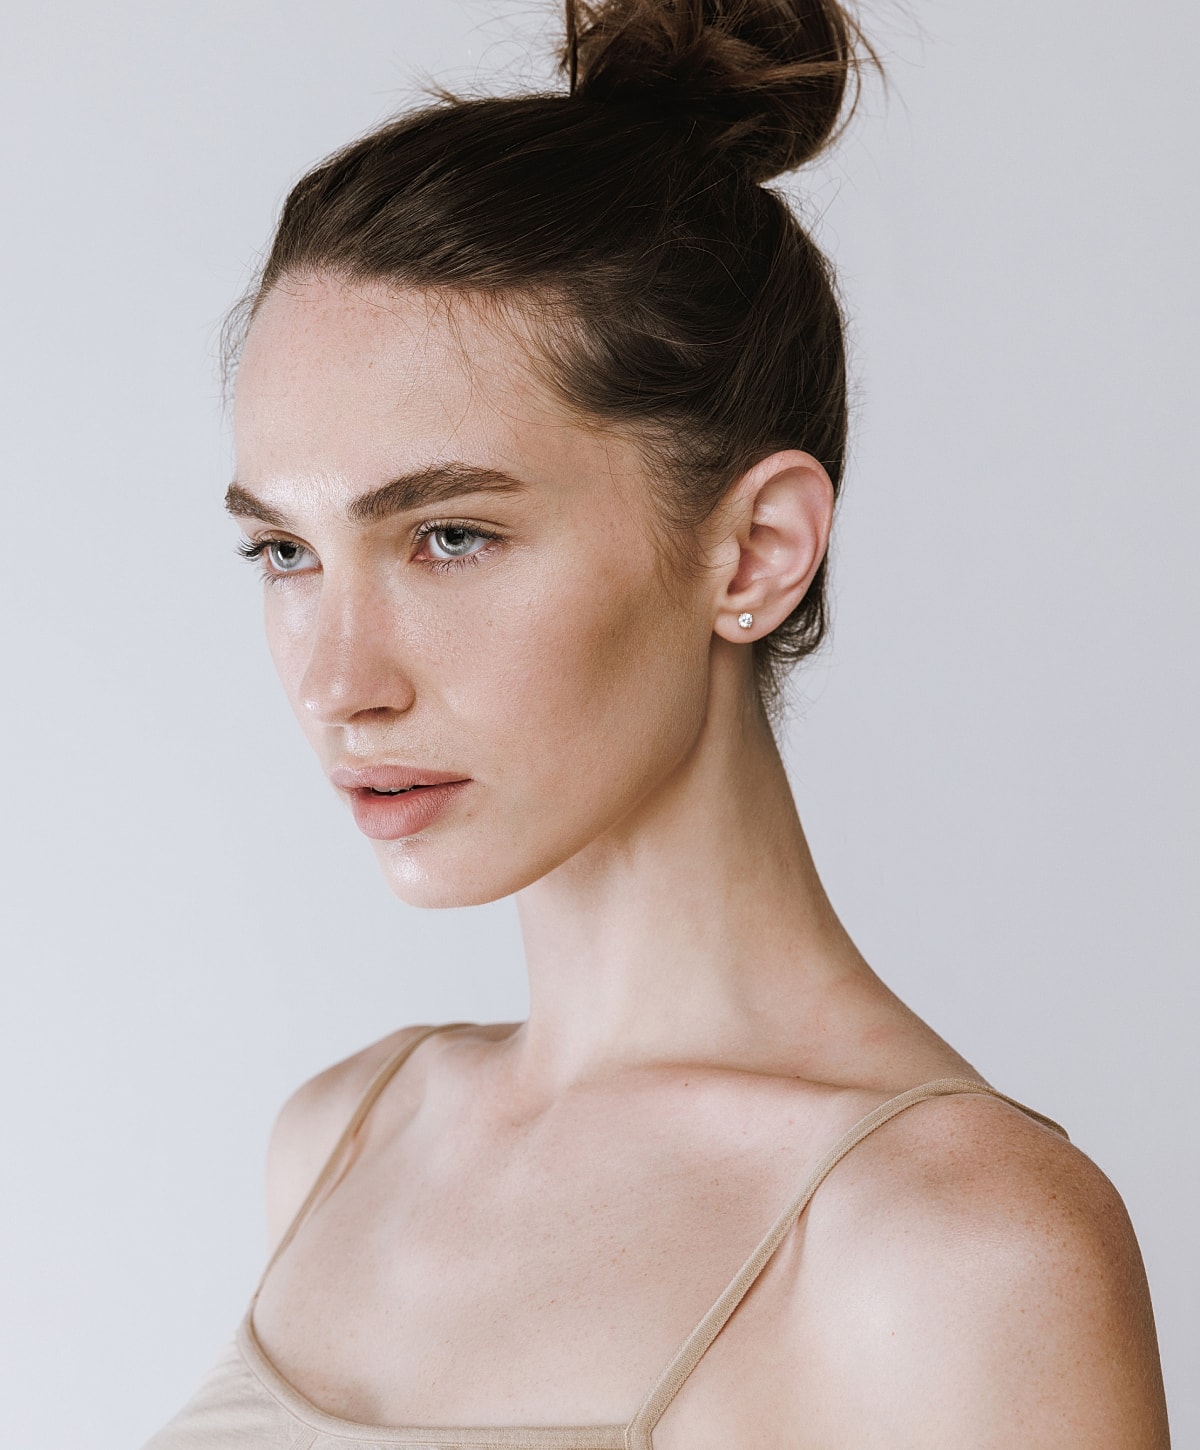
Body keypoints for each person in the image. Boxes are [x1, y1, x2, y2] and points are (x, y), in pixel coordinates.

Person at [146, 1, 1170, 1445]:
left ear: (753, 552)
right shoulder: (341, 1137)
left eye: (448, 536)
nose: (337, 680)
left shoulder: (953, 1248)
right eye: (286, 552)